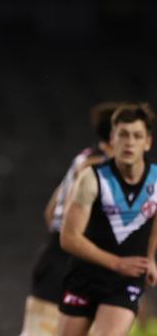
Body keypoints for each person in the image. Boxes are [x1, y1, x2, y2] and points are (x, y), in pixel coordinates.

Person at [58, 102, 157, 336]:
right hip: (85, 277)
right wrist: (116, 262)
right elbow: (69, 238)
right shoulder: (92, 179)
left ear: (147, 142)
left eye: (137, 136)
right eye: (123, 135)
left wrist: (150, 257)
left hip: (125, 282)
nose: (130, 142)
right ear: (112, 139)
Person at [20, 102, 119, 336]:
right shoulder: (99, 168)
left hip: (56, 258)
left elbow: (50, 211)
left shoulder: (83, 158)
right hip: (74, 264)